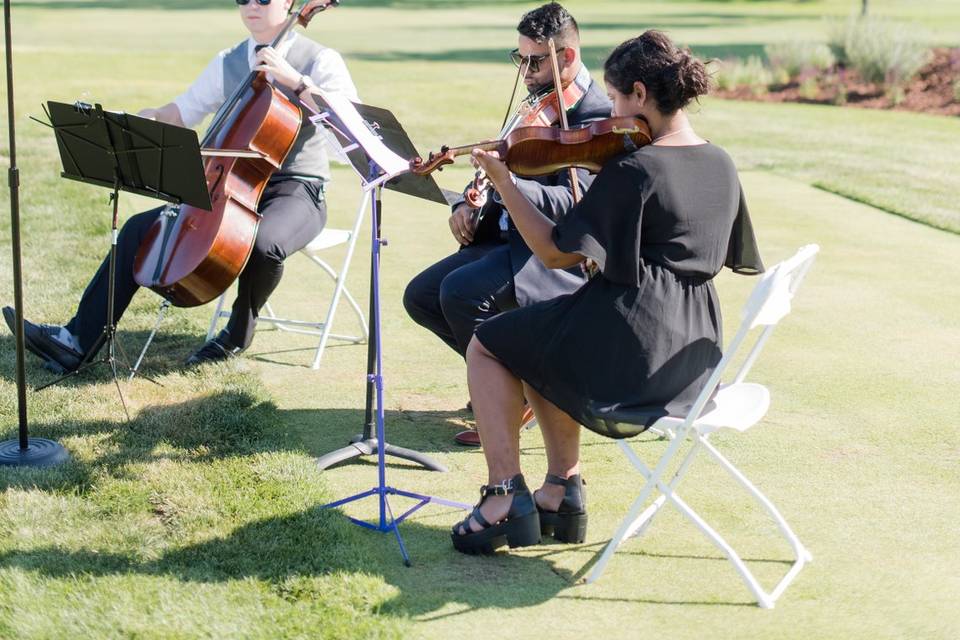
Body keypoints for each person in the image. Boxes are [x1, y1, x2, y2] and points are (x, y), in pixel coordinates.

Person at [450, 30, 765, 554]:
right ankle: (561, 491)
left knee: (490, 343)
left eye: (618, 98)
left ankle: (504, 495)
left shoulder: (637, 168)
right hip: (695, 354)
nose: (613, 112)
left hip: (635, 345)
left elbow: (554, 253)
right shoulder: (721, 162)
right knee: (541, 338)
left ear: (640, 95)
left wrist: (503, 182)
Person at [2, 0, 359, 372]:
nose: (252, 5)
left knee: (265, 242)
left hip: (296, 188)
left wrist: (297, 83)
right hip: (231, 185)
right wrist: (140, 120)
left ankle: (237, 333)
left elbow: (350, 131)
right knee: (138, 230)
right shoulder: (229, 60)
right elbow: (182, 111)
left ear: (289, 3)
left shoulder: (320, 60)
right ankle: (77, 339)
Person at [401, 2, 611, 446]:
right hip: (506, 238)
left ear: (567, 58)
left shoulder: (598, 118)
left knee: (459, 293)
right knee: (419, 296)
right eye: (521, 59)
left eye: (535, 61)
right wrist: (466, 205)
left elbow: (579, 205)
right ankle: (510, 386)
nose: (526, 71)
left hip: (554, 253)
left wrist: (510, 183)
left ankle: (518, 397)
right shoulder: (537, 104)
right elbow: (494, 173)